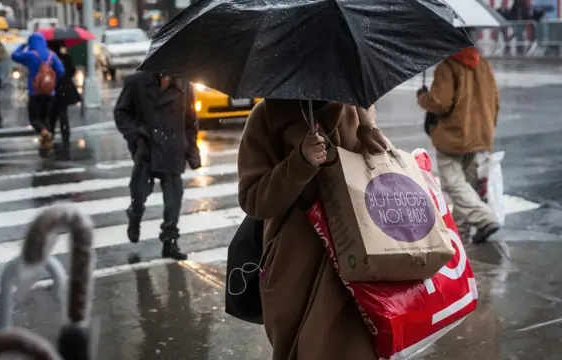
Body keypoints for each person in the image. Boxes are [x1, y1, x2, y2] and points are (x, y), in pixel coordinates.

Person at [237, 100, 385, 359]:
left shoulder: (354, 109)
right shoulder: (265, 118)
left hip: (357, 259)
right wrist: (300, 163)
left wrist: (369, 130)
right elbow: (253, 199)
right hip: (296, 266)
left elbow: (381, 182)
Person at [114, 71, 201, 260]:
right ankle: (135, 215)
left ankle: (170, 242)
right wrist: (136, 135)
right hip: (147, 150)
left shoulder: (184, 84)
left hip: (173, 149)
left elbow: (190, 120)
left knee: (173, 202)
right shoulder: (137, 82)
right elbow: (121, 113)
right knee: (139, 193)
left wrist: (192, 151)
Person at [417, 46, 500, 244]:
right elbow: (495, 100)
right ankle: (460, 231)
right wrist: (488, 128)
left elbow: (440, 102)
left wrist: (422, 97)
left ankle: (485, 218)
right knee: (468, 186)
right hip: (480, 135)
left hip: (453, 136)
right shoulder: (484, 64)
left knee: (452, 184)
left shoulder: (448, 67)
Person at [11, 33, 64, 155]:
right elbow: (61, 71)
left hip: (35, 92)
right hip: (50, 93)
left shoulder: (30, 55)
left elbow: (14, 56)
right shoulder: (51, 55)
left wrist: (23, 45)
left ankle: (45, 134)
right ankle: (46, 146)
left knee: (34, 118)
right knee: (45, 118)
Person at [48, 41, 81, 148]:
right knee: (63, 113)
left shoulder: (49, 59)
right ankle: (65, 135)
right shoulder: (66, 58)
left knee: (52, 114)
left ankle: (50, 134)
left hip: (53, 88)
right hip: (65, 89)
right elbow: (72, 71)